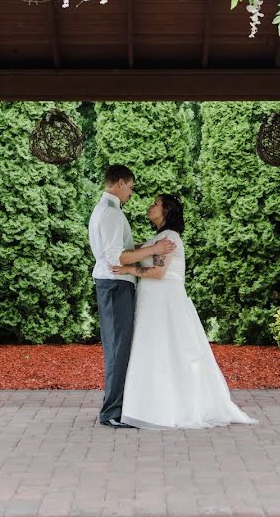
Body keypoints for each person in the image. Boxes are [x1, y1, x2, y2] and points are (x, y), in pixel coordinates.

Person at [112, 194, 258, 430]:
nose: (150, 206)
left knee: (165, 350)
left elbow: (158, 273)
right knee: (158, 350)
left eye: (155, 204)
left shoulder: (169, 237)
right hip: (153, 300)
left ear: (167, 210)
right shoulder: (158, 238)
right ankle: (151, 405)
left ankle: (162, 408)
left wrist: (127, 269)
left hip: (163, 302)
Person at [88, 165, 176, 428]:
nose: (131, 193)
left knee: (118, 347)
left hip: (111, 284)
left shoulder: (102, 210)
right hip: (116, 284)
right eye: (131, 187)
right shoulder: (112, 214)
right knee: (118, 349)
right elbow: (118, 257)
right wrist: (155, 248)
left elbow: (120, 250)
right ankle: (112, 412)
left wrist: (148, 248)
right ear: (121, 183)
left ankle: (115, 406)